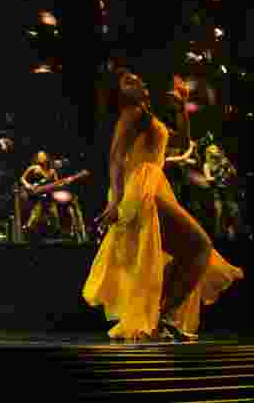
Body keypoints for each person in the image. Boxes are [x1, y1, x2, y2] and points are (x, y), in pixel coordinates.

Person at [83, 68, 243, 340]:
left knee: (190, 251)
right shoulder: (132, 113)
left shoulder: (145, 115)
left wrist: (181, 109)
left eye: (137, 77)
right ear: (119, 93)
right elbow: (116, 157)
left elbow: (180, 142)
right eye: (129, 81)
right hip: (142, 187)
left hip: (150, 185)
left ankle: (160, 316)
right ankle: (163, 316)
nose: (139, 81)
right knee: (198, 247)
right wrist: (118, 198)